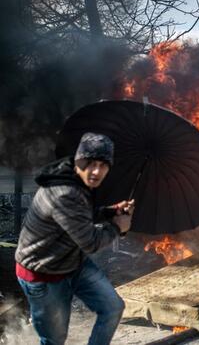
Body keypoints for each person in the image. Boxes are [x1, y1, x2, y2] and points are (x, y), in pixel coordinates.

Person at [15, 132, 135, 345]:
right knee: (55, 340)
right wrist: (118, 227)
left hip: (71, 263)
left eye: (103, 165)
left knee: (112, 308)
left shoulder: (72, 176)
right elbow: (90, 241)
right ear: (79, 160)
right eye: (90, 163)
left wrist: (109, 212)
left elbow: (81, 215)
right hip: (44, 274)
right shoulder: (64, 192)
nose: (97, 171)